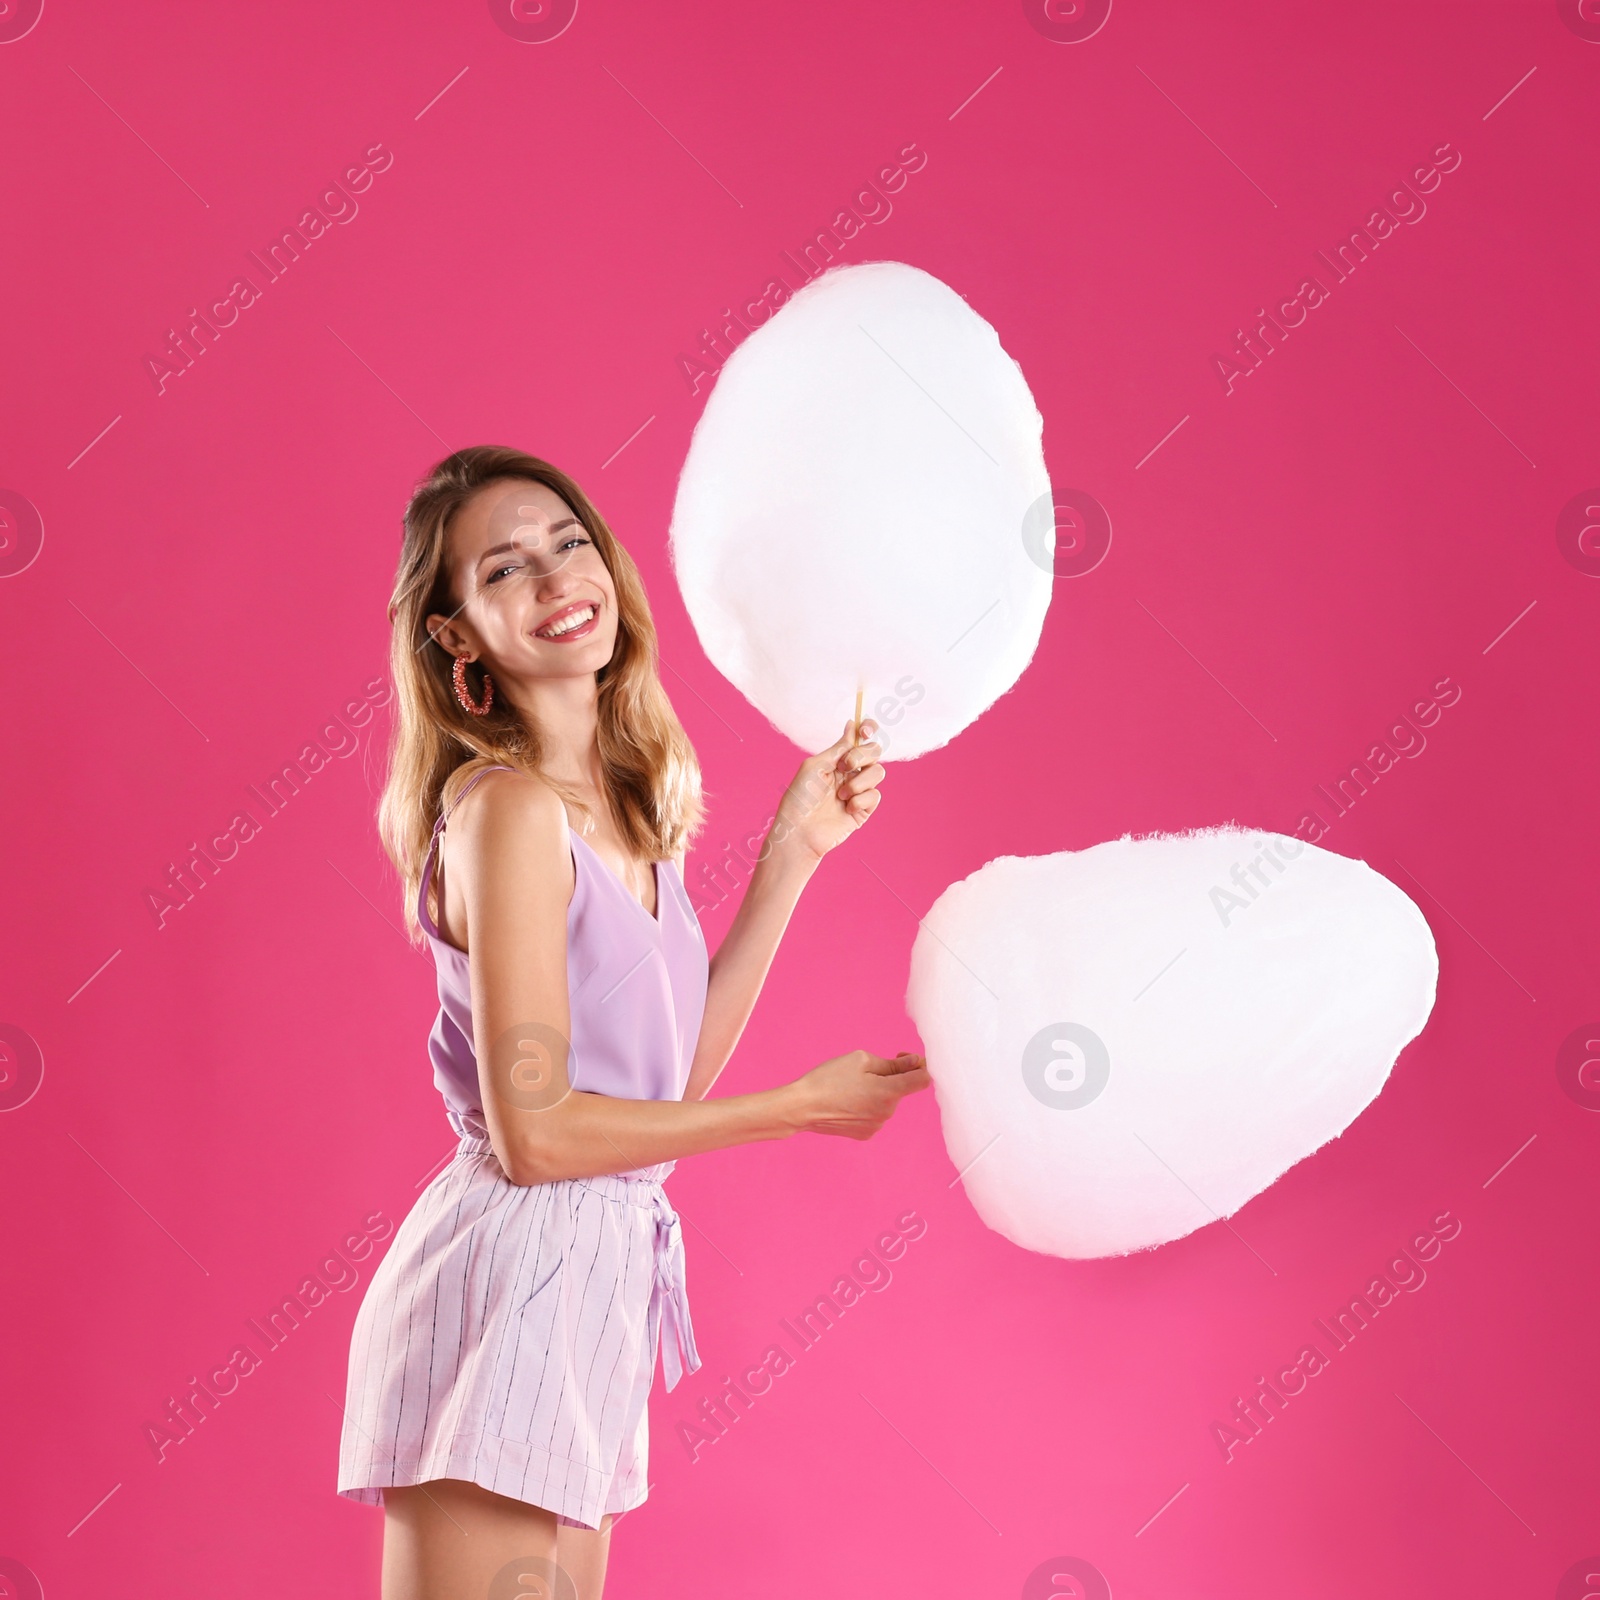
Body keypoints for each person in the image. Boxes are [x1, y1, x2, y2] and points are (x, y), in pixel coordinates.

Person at [336, 445, 929, 1599]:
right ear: (455, 634)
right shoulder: (504, 810)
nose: (557, 579)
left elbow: (662, 1095)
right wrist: (802, 1107)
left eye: (568, 543)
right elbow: (537, 1135)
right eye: (503, 570)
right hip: (509, 1276)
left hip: (592, 1284)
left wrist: (793, 850)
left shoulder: (621, 814)